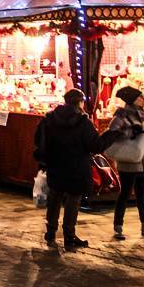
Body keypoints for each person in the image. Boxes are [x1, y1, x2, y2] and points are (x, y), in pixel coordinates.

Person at [33, 88, 100, 250]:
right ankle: (69, 236)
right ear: (80, 102)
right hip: (76, 166)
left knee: (54, 198)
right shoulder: (83, 121)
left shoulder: (49, 119)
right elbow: (94, 144)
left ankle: (50, 232)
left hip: (55, 163)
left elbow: (38, 139)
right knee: (73, 200)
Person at [108, 86, 144, 240]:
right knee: (125, 193)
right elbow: (113, 133)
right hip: (128, 161)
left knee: (141, 195)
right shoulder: (121, 115)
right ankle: (118, 226)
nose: (143, 99)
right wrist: (130, 134)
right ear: (132, 99)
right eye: (140, 97)